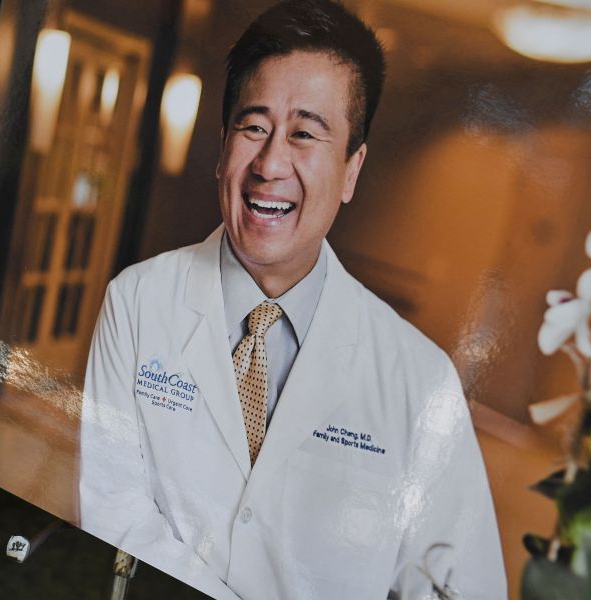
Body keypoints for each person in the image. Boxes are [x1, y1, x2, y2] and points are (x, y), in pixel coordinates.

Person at [79, 1, 506, 598]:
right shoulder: (138, 302)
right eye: (254, 127)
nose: (271, 163)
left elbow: (462, 585)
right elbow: (110, 508)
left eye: (305, 134)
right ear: (223, 143)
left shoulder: (419, 380)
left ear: (352, 169)